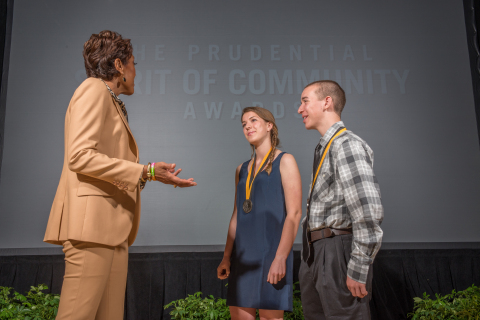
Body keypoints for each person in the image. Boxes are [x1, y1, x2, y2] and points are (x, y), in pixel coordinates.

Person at [43, 30, 196, 320]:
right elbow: (80, 156)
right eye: (134, 63)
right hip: (91, 231)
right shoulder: (93, 89)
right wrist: (144, 170)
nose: (136, 71)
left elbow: (107, 164)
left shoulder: (110, 100)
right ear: (119, 65)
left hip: (111, 231)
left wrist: (149, 174)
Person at [297, 80, 384, 320]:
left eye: (305, 101)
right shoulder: (326, 147)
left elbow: (367, 212)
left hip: (337, 250)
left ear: (327, 102)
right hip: (316, 252)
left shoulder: (347, 145)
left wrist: (358, 267)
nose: (299, 109)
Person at [216, 107, 302, 320]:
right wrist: (227, 257)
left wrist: (281, 257)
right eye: (244, 123)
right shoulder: (241, 169)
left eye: (253, 120)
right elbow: (237, 215)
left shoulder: (286, 160)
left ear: (269, 126)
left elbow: (295, 214)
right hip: (243, 258)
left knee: (270, 317)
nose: (247, 126)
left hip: (272, 254)